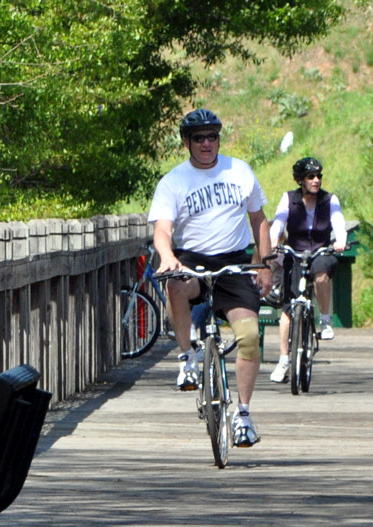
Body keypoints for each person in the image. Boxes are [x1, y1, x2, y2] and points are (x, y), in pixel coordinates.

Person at [148, 108, 273, 447]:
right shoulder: (173, 181)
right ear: (187, 142)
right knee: (176, 284)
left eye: (212, 137)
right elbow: (162, 229)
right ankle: (187, 356)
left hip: (234, 262)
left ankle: (243, 414)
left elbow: (259, 220)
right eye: (199, 138)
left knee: (248, 337)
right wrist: (169, 257)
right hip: (192, 259)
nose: (207, 144)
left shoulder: (240, 171)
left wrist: (264, 264)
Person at [268, 157, 347, 383]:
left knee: (322, 274)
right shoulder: (289, 199)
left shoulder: (329, 200)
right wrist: (274, 238)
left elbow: (339, 223)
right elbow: (279, 221)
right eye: (311, 177)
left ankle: (324, 320)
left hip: (321, 252)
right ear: (300, 180)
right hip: (296, 252)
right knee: (287, 309)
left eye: (319, 176)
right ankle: (284, 360)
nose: (316, 180)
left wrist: (340, 240)